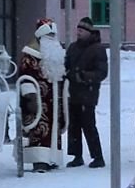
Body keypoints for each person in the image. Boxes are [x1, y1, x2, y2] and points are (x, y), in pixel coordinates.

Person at [18, 19, 66, 173]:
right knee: (39, 129)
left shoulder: (58, 53)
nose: (52, 38)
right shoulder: (30, 53)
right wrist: (29, 94)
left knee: (53, 130)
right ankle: (39, 160)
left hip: (54, 100)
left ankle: (52, 158)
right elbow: (25, 75)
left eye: (54, 35)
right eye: (49, 35)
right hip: (38, 99)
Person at [64, 17, 108, 168]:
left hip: (88, 93)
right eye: (78, 30)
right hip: (73, 92)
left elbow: (102, 72)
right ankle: (77, 156)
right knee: (74, 125)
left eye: (81, 30)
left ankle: (98, 157)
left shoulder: (98, 49)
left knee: (89, 125)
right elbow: (66, 65)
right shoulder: (73, 47)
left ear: (89, 32)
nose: (78, 32)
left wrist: (84, 76)